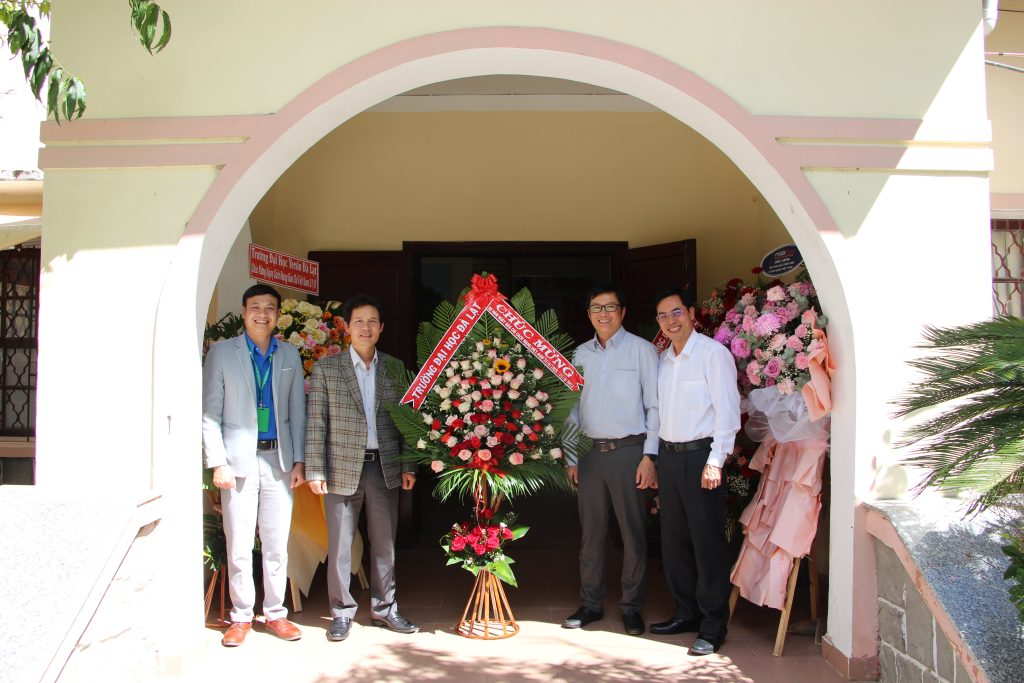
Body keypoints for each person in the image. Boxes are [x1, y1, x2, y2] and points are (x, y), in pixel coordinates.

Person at [305, 293, 418, 642]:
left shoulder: (395, 369)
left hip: (384, 467)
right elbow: (316, 424)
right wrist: (315, 470)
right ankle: (341, 612)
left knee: (385, 544)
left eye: (372, 322)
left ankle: (386, 609)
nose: (365, 327)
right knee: (340, 546)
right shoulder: (327, 369)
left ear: (381, 328)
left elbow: (406, 422)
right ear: (347, 328)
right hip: (339, 469)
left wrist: (408, 464)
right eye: (358, 322)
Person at [202, 283, 307, 647]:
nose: (263, 314)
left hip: (279, 460)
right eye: (256, 307)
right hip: (237, 463)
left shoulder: (289, 354)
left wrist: (299, 460)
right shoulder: (222, 353)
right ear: (244, 312)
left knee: (277, 543)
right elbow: (210, 413)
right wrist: (218, 461)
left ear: (278, 314)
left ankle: (276, 613)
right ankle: (241, 616)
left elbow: (297, 412)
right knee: (239, 542)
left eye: (270, 308)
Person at [562, 283, 660, 636]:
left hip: (629, 453)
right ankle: (590, 604)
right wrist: (571, 456)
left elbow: (655, 406)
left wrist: (650, 456)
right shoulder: (579, 355)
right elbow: (571, 410)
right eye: (596, 308)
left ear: (623, 312)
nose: (603, 314)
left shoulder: (642, 351)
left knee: (632, 534)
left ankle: (632, 607)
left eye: (610, 307)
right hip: (589, 454)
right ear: (588, 313)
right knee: (591, 535)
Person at [649, 286, 741, 656]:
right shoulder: (663, 360)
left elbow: (728, 412)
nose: (670, 321)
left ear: (691, 313)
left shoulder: (712, 354)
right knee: (673, 542)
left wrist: (716, 460)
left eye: (676, 312)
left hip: (702, 457)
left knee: (706, 543)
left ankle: (713, 625)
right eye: (663, 315)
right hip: (670, 458)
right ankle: (685, 612)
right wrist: (656, 459)